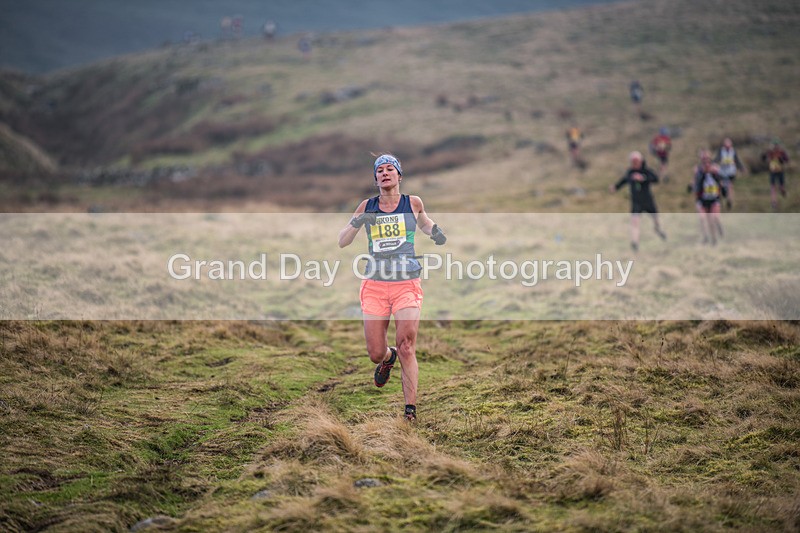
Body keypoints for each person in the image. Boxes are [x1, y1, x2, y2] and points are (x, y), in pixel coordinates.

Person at [338, 154, 447, 422]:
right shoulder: (367, 205)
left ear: (399, 175)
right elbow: (342, 241)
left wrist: (435, 232)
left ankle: (410, 410)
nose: (385, 173)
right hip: (375, 285)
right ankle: (389, 359)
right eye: (380, 170)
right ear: (375, 179)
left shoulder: (413, 203)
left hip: (406, 282)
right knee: (375, 352)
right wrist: (357, 222)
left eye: (390, 169)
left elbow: (424, 222)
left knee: (408, 345)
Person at [609, 151, 667, 251]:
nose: (634, 164)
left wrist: (643, 178)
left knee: (655, 219)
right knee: (634, 222)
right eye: (632, 162)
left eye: (636, 161)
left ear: (641, 161)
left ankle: (658, 230)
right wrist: (615, 187)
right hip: (636, 202)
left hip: (648, 200)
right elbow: (624, 180)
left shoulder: (646, 171)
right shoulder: (630, 172)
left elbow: (655, 179)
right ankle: (635, 242)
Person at [692, 150, 725, 245]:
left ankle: (715, 236)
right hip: (702, 199)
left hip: (714, 199)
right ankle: (706, 237)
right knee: (702, 218)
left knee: (714, 219)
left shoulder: (715, 169)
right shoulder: (698, 170)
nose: (706, 162)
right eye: (703, 159)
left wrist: (716, 175)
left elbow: (722, 181)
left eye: (707, 159)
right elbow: (696, 183)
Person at [713, 138, 746, 210]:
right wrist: (712, 165)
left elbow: (737, 160)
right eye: (726, 145)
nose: (727, 147)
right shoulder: (721, 151)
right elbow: (716, 159)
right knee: (721, 185)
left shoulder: (733, 151)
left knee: (730, 186)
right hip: (722, 172)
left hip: (731, 172)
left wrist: (741, 168)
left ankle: (729, 201)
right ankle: (720, 200)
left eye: (729, 145)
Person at [761, 139, 789, 210]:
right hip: (772, 171)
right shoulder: (770, 152)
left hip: (780, 171)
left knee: (781, 187)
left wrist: (781, 159)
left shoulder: (782, 152)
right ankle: (774, 202)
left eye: (777, 145)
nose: (776, 147)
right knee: (773, 187)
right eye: (774, 145)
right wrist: (764, 154)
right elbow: (763, 158)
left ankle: (783, 191)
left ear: (779, 145)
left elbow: (787, 160)